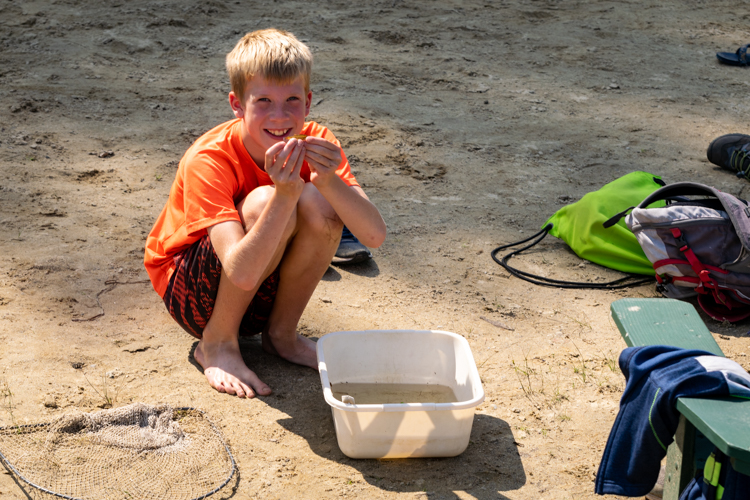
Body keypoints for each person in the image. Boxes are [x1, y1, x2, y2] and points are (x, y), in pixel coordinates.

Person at [143, 28, 387, 398]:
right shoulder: (209, 159)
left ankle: (281, 336)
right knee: (264, 202)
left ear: (307, 102)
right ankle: (218, 344)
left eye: (292, 99)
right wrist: (285, 196)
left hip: (261, 293)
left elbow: (373, 236)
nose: (280, 115)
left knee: (321, 202)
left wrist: (327, 180)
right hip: (195, 298)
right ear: (237, 104)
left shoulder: (318, 140)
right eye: (263, 101)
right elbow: (240, 272)